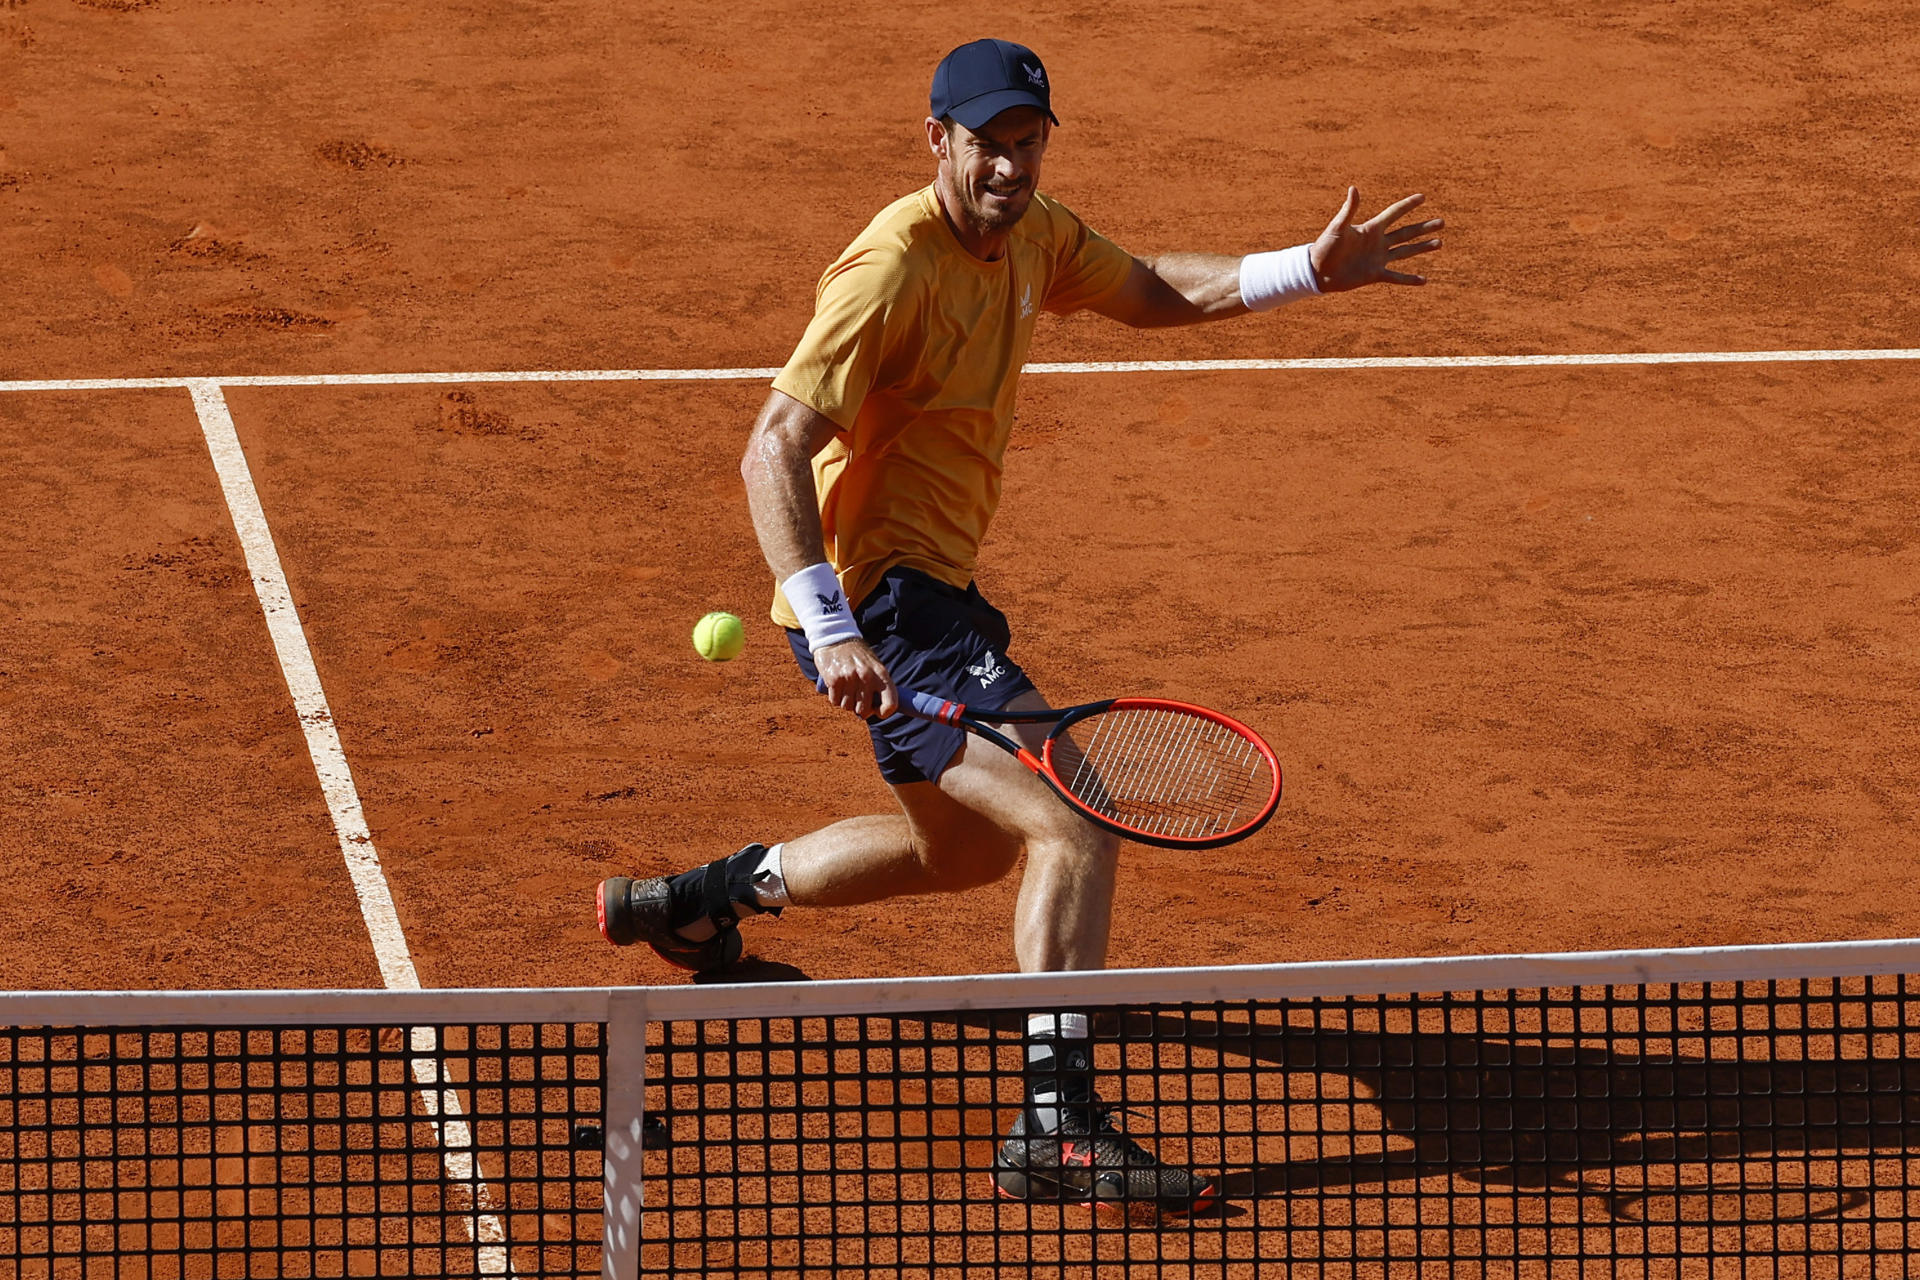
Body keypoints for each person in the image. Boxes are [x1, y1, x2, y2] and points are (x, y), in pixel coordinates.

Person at [597, 37, 1442, 1221]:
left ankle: (695, 902)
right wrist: (838, 627)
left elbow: (1148, 286)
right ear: (936, 139)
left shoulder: (1034, 233)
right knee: (1074, 821)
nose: (1009, 164)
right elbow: (771, 446)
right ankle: (1057, 1124)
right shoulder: (890, 269)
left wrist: (1302, 267)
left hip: (927, 593)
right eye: (986, 142)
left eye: (1027, 142)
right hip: (888, 598)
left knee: (968, 852)